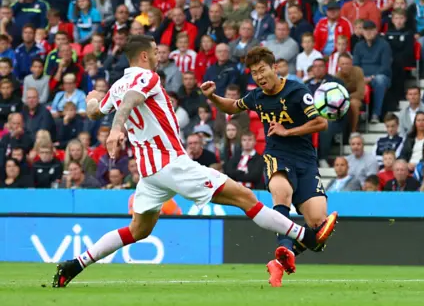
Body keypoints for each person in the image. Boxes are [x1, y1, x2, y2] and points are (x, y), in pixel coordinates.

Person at [53, 37, 337, 288]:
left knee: (138, 230)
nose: (158, 55)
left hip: (149, 173)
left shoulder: (115, 86)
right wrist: (117, 129)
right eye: (154, 51)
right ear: (143, 56)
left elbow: (94, 111)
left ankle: (75, 264)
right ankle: (307, 237)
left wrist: (92, 100)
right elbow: (129, 101)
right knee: (245, 197)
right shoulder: (147, 78)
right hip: (172, 165)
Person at [200, 46, 337, 287]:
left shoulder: (297, 91)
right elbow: (232, 106)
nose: (259, 77)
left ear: (275, 67)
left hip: (305, 161)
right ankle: (283, 248)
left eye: (262, 70)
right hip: (277, 156)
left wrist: (288, 131)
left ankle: (281, 261)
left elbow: (320, 123)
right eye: (254, 73)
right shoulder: (256, 97)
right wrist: (212, 96)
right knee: (281, 193)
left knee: (318, 228)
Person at [352, 20, 392, 123]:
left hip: (379, 76)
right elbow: (355, 65)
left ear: (376, 31)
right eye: (366, 30)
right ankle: (359, 114)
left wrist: (372, 77)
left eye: (371, 30)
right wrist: (362, 78)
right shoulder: (358, 46)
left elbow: (385, 66)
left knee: (380, 80)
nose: (368, 33)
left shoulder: (384, 45)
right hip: (362, 77)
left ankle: (376, 114)